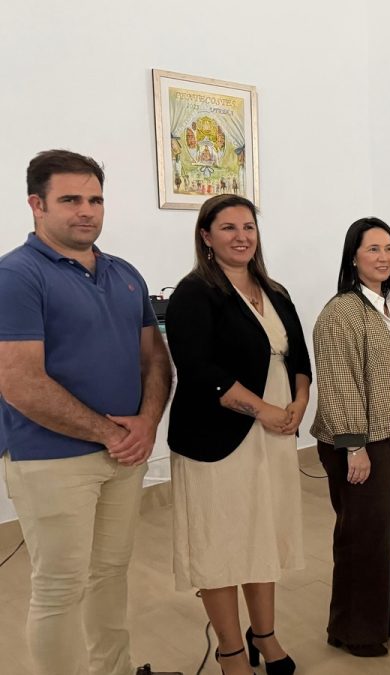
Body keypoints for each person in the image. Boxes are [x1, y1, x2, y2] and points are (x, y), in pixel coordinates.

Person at [0, 150, 175, 675]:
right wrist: (109, 432)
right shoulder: (16, 276)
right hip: (50, 458)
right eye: (70, 199)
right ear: (36, 204)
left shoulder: (125, 274)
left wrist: (146, 424)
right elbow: (19, 380)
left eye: (95, 199)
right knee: (59, 588)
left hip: (123, 456)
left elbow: (155, 360)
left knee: (110, 575)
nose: (87, 211)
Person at [165, 194, 311, 675]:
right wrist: (264, 409)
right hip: (216, 438)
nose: (241, 236)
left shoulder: (275, 291)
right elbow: (199, 369)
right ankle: (230, 650)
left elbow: (298, 359)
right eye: (227, 228)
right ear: (206, 237)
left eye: (248, 226)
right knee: (221, 543)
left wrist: (298, 403)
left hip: (273, 434)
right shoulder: (194, 293)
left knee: (261, 535)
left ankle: (264, 635)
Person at [311, 217, 390, 657]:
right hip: (359, 439)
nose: (383, 257)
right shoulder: (342, 312)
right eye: (373, 249)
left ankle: (376, 614)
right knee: (361, 534)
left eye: (388, 249)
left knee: (386, 529)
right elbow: (339, 384)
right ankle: (354, 630)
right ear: (353, 256)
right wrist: (354, 447)